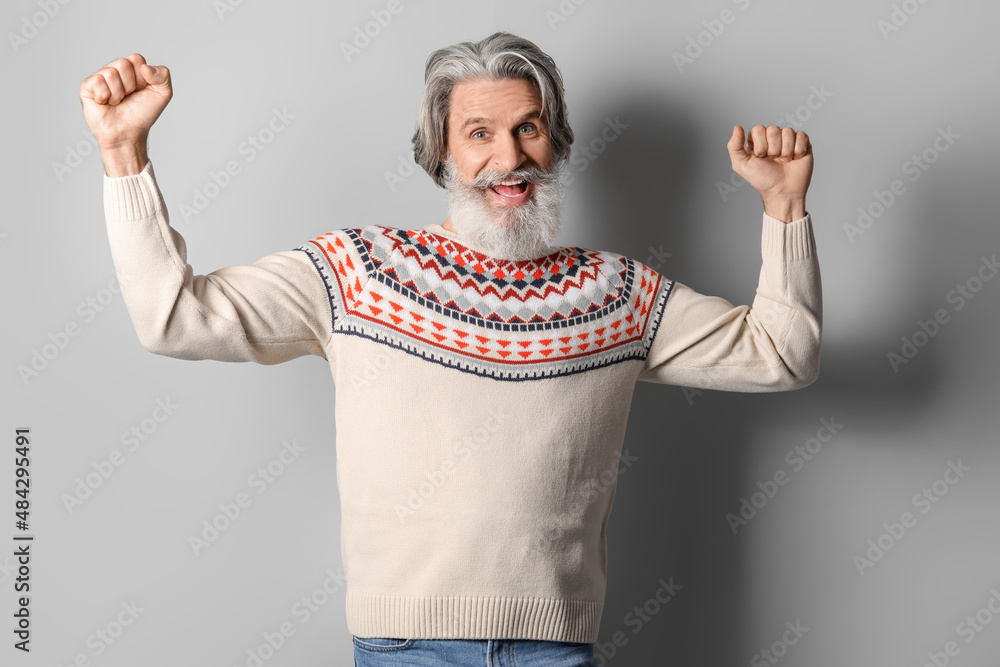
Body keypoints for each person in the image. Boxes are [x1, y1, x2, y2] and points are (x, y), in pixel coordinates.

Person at [79, 32, 821, 667]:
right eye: (480, 133)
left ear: (556, 143)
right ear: (441, 150)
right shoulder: (357, 272)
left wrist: (785, 208)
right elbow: (173, 316)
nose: (510, 157)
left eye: (529, 129)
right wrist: (124, 151)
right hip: (406, 649)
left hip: (553, 650)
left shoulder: (617, 292)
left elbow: (782, 354)